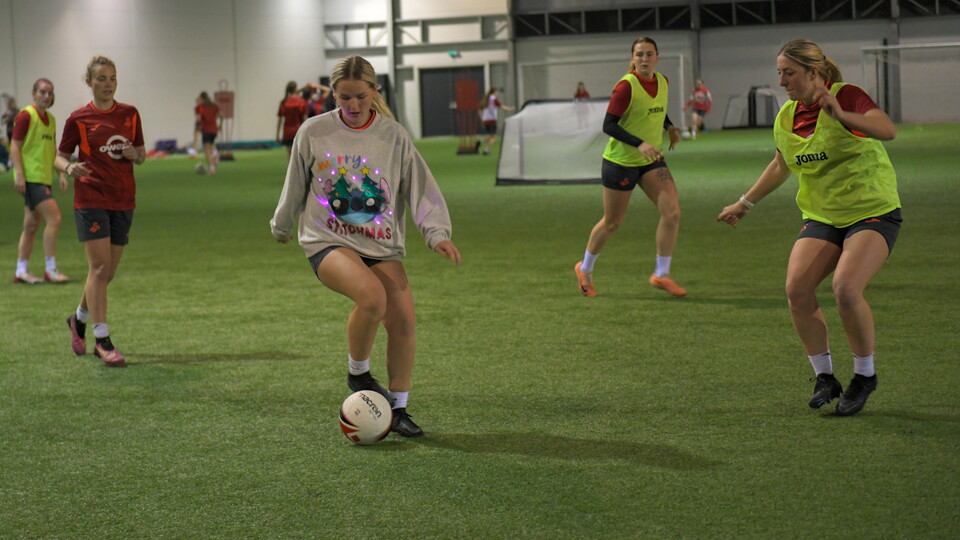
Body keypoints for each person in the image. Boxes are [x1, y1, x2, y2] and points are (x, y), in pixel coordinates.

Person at [271, 56, 461, 439]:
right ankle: (358, 374)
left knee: (403, 319)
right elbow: (295, 185)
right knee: (373, 297)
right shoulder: (313, 131)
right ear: (333, 94)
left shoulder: (394, 136)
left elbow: (420, 186)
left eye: (361, 96)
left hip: (379, 243)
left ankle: (398, 409)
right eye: (344, 98)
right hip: (327, 240)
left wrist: (437, 233)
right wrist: (282, 225)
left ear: (375, 91)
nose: (353, 105)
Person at [717, 39, 901, 416]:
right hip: (822, 216)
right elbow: (780, 164)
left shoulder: (846, 95)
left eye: (789, 72)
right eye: (779, 73)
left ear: (813, 72)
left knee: (845, 288)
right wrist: (744, 204)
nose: (781, 81)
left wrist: (843, 115)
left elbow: (886, 129)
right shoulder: (786, 115)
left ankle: (864, 376)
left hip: (871, 211)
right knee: (797, 290)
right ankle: (825, 377)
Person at [574, 36, 685, 298]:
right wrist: (639, 143)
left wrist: (669, 127)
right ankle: (584, 268)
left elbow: (655, 109)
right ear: (632, 59)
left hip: (651, 160)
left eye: (649, 54)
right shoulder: (625, 86)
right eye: (639, 54)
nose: (644, 59)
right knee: (612, 222)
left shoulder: (663, 81)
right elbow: (609, 125)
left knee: (672, 213)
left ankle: (661, 274)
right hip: (620, 163)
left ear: (657, 57)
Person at [55, 55, 146, 367]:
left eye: (112, 78)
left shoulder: (130, 114)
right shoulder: (79, 119)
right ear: (89, 82)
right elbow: (59, 156)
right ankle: (102, 340)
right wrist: (69, 167)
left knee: (107, 273)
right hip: (90, 199)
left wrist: (135, 154)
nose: (108, 84)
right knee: (99, 269)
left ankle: (78, 319)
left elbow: (142, 154)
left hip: (123, 199)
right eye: (101, 79)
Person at [10, 78, 70, 284]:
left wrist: (60, 174)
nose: (46, 96)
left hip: (43, 178)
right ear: (34, 93)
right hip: (31, 179)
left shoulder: (51, 120)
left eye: (50, 93)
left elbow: (52, 151)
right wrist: (19, 174)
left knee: (31, 225)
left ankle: (21, 271)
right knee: (55, 218)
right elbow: (14, 146)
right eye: (42, 92)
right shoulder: (26, 115)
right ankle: (50, 269)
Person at [478, 87, 514, 156]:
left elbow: (480, 109)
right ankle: (486, 150)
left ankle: (480, 142)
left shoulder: (486, 99)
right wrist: (510, 108)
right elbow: (501, 106)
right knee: (493, 136)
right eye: (497, 92)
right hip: (492, 120)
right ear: (494, 92)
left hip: (486, 120)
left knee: (491, 135)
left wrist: (482, 118)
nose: (497, 93)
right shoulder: (493, 99)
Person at [276, 81, 307, 157]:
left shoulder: (284, 102)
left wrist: (277, 134)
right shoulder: (301, 101)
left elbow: (280, 120)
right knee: (299, 156)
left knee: (290, 157)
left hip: (287, 132)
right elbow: (305, 119)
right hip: (298, 131)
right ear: (296, 89)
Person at [194, 91, 221, 175]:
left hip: (206, 130)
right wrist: (220, 125)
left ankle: (212, 169)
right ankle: (216, 154)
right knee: (211, 145)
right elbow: (221, 115)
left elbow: (198, 119)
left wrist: (197, 126)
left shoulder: (200, 107)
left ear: (202, 99)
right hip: (214, 130)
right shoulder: (214, 106)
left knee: (206, 150)